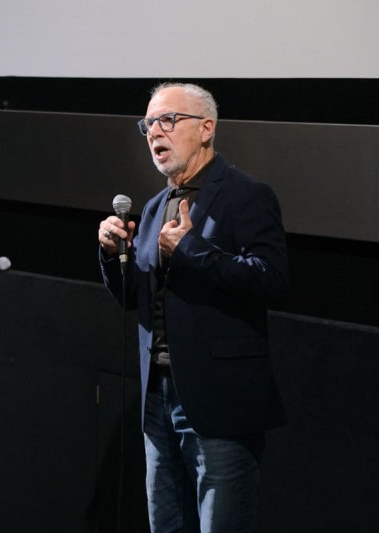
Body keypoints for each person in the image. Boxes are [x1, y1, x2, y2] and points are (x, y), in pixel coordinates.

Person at [98, 83, 289, 532]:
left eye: (168, 120)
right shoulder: (152, 208)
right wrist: (111, 255)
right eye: (148, 124)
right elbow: (133, 298)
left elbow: (272, 281)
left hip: (218, 400)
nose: (154, 133)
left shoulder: (246, 196)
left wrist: (192, 250)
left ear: (206, 129)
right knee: (165, 524)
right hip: (157, 396)